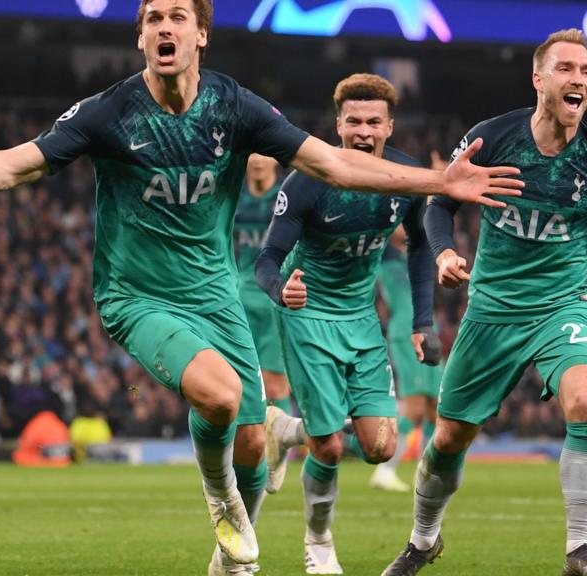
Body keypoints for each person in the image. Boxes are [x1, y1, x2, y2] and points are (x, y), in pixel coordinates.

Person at [0, 0, 522, 571]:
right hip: (137, 294)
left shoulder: (235, 107)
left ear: (200, 36)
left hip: (215, 292)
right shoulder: (109, 112)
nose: (164, 27)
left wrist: (435, 181)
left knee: (254, 443)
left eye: (176, 18)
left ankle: (230, 558)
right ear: (140, 37)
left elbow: (332, 163)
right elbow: (12, 166)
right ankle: (220, 502)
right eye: (152, 17)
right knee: (219, 397)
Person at [379, 29, 587, 576]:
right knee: (449, 437)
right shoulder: (491, 139)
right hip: (491, 308)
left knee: (586, 402)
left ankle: (579, 552)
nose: (579, 80)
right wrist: (446, 253)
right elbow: (439, 203)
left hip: (561, 306)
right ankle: (422, 541)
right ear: (538, 78)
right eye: (566, 68)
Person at [255, 73, 439, 575]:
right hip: (307, 314)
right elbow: (267, 259)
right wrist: (280, 290)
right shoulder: (308, 179)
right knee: (331, 447)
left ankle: (283, 429)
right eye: (353, 121)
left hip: (361, 319)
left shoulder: (405, 178)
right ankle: (318, 544)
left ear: (389, 126)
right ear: (338, 125)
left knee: (381, 447)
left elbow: (420, 245)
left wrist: (423, 321)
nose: (363, 131)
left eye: (373, 122)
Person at [369, 226, 444, 493]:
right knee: (414, 407)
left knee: (437, 407)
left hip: (428, 330)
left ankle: (428, 472)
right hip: (406, 332)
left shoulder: (419, 252)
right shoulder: (385, 254)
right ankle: (385, 470)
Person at [234, 154, 291, 413]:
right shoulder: (232, 193)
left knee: (275, 385)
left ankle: (277, 449)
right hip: (241, 297)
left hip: (276, 298)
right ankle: (252, 447)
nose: (257, 160)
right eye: (252, 152)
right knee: (240, 379)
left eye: (265, 153)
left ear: (276, 158)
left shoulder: (289, 193)